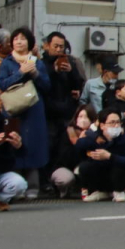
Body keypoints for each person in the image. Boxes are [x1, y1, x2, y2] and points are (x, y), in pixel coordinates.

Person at [0, 27, 51, 199]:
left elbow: (47, 86)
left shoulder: (38, 62)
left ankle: (33, 185)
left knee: (34, 143)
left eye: (23, 39)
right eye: (16, 39)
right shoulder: (7, 62)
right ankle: (16, 184)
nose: (19, 42)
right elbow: (2, 84)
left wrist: (35, 73)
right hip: (14, 108)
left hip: (34, 107)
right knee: (14, 142)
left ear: (29, 42)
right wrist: (20, 73)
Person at [41, 31, 85, 165]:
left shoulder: (69, 61)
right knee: (49, 145)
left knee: (64, 146)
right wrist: (54, 71)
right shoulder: (41, 63)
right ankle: (47, 178)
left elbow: (78, 82)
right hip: (49, 112)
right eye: (56, 46)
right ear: (47, 46)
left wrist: (71, 71)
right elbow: (41, 84)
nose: (59, 49)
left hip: (67, 111)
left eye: (61, 46)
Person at [76, 109, 125, 202]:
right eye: (112, 123)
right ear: (102, 125)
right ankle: (101, 191)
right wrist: (91, 136)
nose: (116, 125)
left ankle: (119, 191)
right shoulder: (97, 137)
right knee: (84, 167)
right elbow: (79, 145)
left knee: (122, 165)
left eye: (118, 122)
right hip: (101, 172)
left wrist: (110, 156)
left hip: (120, 173)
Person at [50, 104, 95, 199]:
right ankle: (62, 190)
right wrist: (80, 143)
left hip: (84, 166)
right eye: (80, 116)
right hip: (65, 166)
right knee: (65, 179)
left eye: (86, 117)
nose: (83, 119)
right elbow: (64, 156)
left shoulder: (95, 134)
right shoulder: (68, 132)